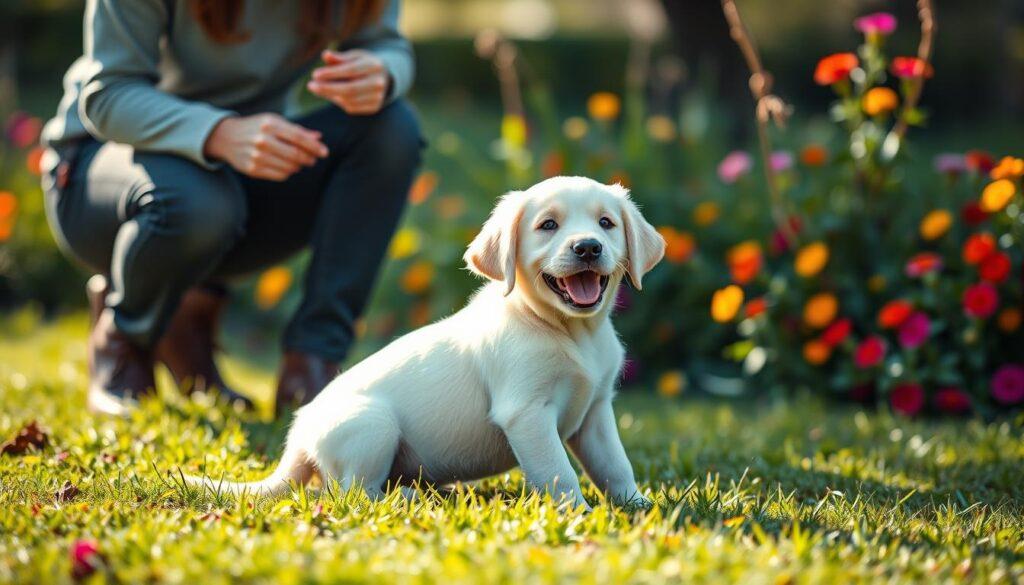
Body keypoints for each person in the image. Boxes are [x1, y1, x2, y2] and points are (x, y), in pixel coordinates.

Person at [39, 0, 422, 416]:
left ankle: (313, 361)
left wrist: (383, 73)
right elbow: (108, 96)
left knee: (391, 131)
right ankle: (124, 339)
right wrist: (218, 132)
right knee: (197, 204)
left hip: (238, 175)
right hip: (99, 174)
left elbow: (389, 47)